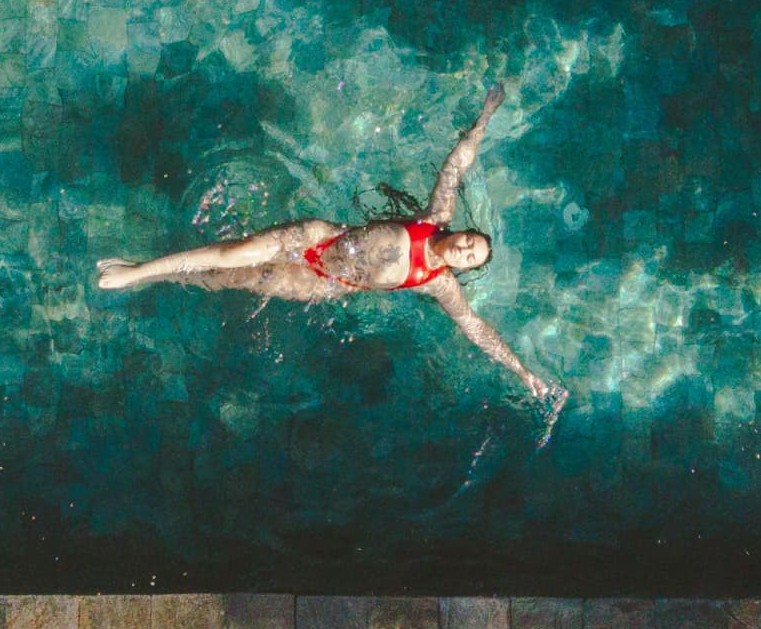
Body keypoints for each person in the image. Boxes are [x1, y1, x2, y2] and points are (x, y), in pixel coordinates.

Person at [94, 84, 562, 403]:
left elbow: (477, 329)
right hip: (318, 236)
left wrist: (522, 372)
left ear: (463, 268)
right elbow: (456, 165)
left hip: (316, 281)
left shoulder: (437, 285)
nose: (463, 250)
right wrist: (485, 117)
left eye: (470, 257)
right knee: (232, 252)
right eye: (469, 242)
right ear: (461, 232)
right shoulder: (433, 218)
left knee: (226, 279)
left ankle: (156, 273)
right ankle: (139, 271)